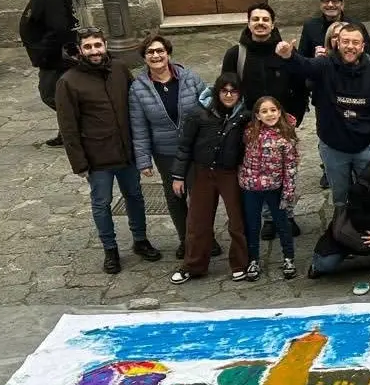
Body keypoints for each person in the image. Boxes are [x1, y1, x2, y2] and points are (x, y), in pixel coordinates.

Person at [56, 28, 161, 274]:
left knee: (134, 196)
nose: (94, 51)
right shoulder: (68, 82)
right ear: (80, 50)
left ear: (105, 45)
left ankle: (140, 240)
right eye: (88, 47)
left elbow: (135, 105)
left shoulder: (119, 69)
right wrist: (79, 163)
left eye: (98, 45)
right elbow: (68, 127)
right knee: (101, 203)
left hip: (126, 152)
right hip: (97, 157)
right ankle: (110, 249)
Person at [274, 23, 370, 210]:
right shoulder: (325, 65)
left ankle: (368, 224)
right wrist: (289, 55)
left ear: (363, 46)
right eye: (345, 41)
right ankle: (342, 225)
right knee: (340, 197)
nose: (350, 46)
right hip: (333, 147)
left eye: (355, 42)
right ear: (338, 43)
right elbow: (304, 66)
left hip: (365, 145)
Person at [130, 34, 207, 263]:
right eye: (150, 52)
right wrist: (143, 160)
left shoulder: (190, 78)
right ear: (145, 58)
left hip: (194, 149)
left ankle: (204, 238)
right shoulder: (138, 88)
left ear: (168, 54)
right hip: (165, 152)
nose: (156, 55)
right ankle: (186, 240)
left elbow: (208, 106)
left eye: (160, 51)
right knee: (175, 197)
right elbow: (139, 126)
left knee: (199, 196)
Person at [168, 73, 250, 285]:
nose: (229, 95)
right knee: (198, 222)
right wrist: (178, 176)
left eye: (234, 91)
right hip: (203, 172)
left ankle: (240, 264)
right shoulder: (198, 114)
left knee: (237, 220)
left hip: (230, 173)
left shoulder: (244, 115)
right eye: (224, 91)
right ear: (217, 92)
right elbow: (184, 146)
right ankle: (193, 266)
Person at [307, 150, 370, 280]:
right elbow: (359, 222)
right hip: (346, 237)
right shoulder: (359, 189)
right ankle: (317, 265)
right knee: (326, 265)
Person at [14, 0, 76, 145]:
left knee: (50, 94)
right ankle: (67, 131)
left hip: (55, 57)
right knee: (59, 94)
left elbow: (59, 28)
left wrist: (43, 51)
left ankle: (78, 126)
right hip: (50, 56)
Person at [237, 96, 299, 280]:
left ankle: (288, 258)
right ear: (257, 115)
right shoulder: (249, 133)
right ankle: (253, 260)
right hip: (251, 187)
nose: (269, 114)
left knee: (282, 223)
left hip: (275, 187)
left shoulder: (286, 136)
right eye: (264, 111)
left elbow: (290, 166)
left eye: (273, 110)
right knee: (252, 225)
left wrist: (288, 191)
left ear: (279, 112)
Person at [223, 3, 309, 128]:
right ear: (249, 24)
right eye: (255, 19)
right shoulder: (235, 54)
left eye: (265, 19)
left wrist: (294, 117)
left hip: (281, 123)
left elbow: (300, 87)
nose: (260, 22)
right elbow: (226, 90)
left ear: (272, 25)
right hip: (246, 124)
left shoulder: (286, 52)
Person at [298, 0, 370, 57]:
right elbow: (302, 58)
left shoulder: (357, 26)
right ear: (321, 5)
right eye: (326, 1)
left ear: (342, 5)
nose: (330, 5)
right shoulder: (310, 26)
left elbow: (369, 56)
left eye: (335, 1)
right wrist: (315, 59)